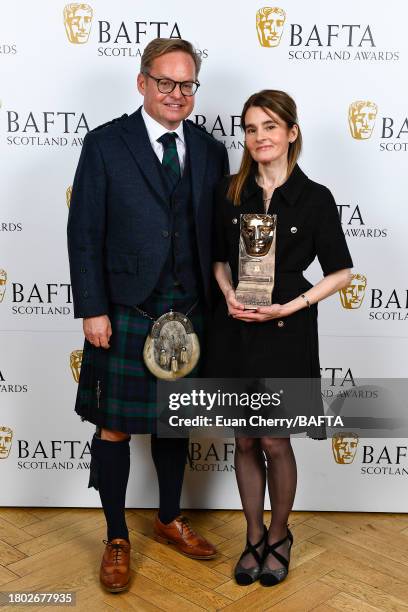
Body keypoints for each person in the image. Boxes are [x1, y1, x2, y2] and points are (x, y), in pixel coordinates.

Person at [67, 37, 229, 593]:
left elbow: (216, 237)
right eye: (166, 83)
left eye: (187, 85)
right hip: (124, 309)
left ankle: (166, 517)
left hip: (187, 311)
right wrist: (92, 309)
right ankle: (117, 535)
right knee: (114, 426)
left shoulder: (209, 150)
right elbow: (84, 234)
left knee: (174, 419)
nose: (177, 94)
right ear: (142, 83)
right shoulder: (106, 144)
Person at [209, 89, 353, 587]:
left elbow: (342, 272)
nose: (259, 137)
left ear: (291, 132)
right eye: (250, 129)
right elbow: (218, 260)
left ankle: (280, 535)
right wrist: (227, 293)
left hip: (287, 329)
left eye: (269, 126)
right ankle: (252, 537)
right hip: (235, 329)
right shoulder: (229, 191)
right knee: (243, 438)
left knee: (274, 439)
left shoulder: (315, 198)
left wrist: (291, 304)